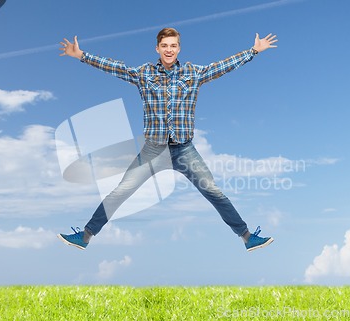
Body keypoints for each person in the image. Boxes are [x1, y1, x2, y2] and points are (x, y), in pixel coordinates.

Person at [57, 28, 277, 252]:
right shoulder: (144, 73)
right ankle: (85, 236)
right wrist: (82, 56)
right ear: (157, 48)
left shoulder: (193, 73)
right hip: (153, 150)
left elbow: (222, 66)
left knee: (213, 191)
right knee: (121, 191)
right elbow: (115, 67)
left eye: (173, 46)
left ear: (179, 48)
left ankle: (247, 237)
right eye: (165, 46)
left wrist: (253, 51)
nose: (169, 50)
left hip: (184, 150)